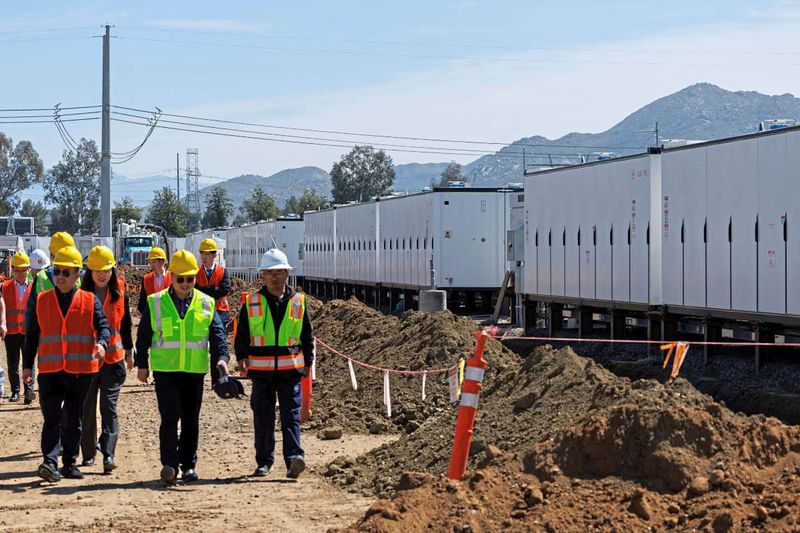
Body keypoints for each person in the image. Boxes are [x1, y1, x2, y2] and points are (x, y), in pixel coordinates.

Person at [135, 249, 229, 485]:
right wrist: (142, 365)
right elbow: (143, 335)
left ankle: (188, 465)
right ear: (172, 277)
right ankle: (169, 464)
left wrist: (222, 359)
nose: (185, 283)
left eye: (190, 279)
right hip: (166, 372)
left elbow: (217, 334)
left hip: (194, 372)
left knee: (190, 419)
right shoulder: (155, 302)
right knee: (169, 417)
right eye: (180, 279)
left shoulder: (206, 303)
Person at [22, 245, 110, 483]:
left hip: (80, 371)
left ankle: (70, 463)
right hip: (50, 370)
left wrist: (102, 343)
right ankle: (50, 462)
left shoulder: (90, 301)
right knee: (52, 418)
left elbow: (104, 327)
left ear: (76, 275)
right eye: (56, 272)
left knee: (73, 419)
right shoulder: (42, 300)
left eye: (65, 272)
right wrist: (27, 366)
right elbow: (31, 335)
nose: (59, 276)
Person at [234, 248, 314, 479]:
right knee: (263, 418)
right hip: (261, 373)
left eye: (280, 272)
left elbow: (307, 335)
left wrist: (307, 361)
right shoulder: (252, 302)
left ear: (287, 274)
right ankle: (264, 462)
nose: (275, 277)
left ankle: (294, 458)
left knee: (291, 416)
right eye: (270, 273)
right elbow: (242, 335)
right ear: (263, 275)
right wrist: (241, 359)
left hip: (290, 370)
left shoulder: (299, 302)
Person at [80, 246, 134, 473]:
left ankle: (108, 454)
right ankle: (89, 453)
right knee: (87, 408)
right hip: (88, 361)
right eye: (96, 270)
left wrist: (131, 352)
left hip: (113, 360)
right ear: (89, 272)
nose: (101, 274)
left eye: (106, 270)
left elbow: (126, 324)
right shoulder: (81, 295)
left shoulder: (121, 290)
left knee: (108, 407)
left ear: (112, 269)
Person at [195, 238, 231, 388]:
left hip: (220, 312)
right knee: (198, 346)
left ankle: (217, 381)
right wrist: (213, 290)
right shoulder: (196, 272)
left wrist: (206, 292)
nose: (204, 257)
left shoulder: (223, 271)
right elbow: (195, 289)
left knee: (217, 346)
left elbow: (225, 290)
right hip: (201, 313)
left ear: (214, 255)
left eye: (207, 254)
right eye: (202, 253)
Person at [2, 251, 32, 403]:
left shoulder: (34, 287)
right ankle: (15, 392)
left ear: (28, 269)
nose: (20, 273)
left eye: (23, 269)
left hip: (27, 332)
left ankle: (29, 391)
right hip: (11, 332)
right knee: (12, 363)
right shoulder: (5, 287)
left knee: (28, 362)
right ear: (12, 270)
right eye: (17, 270)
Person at [137, 246, 171, 315]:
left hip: (169, 316)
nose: (151, 264)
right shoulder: (146, 279)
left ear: (162, 262)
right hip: (152, 317)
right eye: (150, 262)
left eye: (153, 262)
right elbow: (142, 302)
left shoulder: (172, 278)